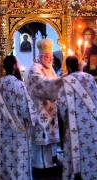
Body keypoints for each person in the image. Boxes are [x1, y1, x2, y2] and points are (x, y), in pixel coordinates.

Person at [57, 56, 97, 180]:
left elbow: (61, 103)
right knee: (93, 147)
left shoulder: (65, 80)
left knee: (75, 148)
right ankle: (96, 174)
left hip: (74, 124)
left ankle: (75, 174)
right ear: (79, 64)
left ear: (68, 67)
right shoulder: (89, 77)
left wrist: (66, 118)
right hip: (90, 122)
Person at [0, 55, 37, 180]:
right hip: (18, 129)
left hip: (2, 128)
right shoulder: (19, 84)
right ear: (14, 66)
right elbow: (25, 108)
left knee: (6, 155)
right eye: (17, 64)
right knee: (18, 157)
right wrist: (31, 120)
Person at [25, 38, 62, 169]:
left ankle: (51, 161)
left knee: (50, 138)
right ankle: (40, 164)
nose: (50, 59)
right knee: (41, 137)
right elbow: (42, 85)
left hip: (50, 110)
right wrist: (60, 81)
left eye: (51, 56)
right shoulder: (35, 69)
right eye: (47, 56)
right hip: (39, 109)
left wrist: (61, 80)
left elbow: (54, 83)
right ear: (40, 56)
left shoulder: (50, 69)